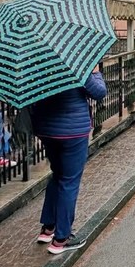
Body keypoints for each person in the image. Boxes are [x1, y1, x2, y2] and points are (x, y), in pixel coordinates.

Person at [32, 67, 107, 254]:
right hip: (72, 131)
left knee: (57, 175)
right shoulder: (73, 62)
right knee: (69, 181)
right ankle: (61, 239)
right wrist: (96, 73)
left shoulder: (37, 63)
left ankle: (48, 228)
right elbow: (99, 92)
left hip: (46, 129)